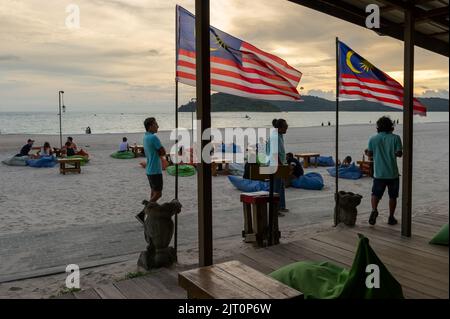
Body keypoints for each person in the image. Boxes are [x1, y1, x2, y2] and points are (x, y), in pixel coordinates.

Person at [366, 116, 402, 226]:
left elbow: (370, 155)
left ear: (378, 127)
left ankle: (374, 210)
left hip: (379, 173)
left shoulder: (373, 139)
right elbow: (399, 154)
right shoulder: (396, 138)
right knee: (393, 196)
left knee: (375, 194)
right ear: (391, 126)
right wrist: (394, 153)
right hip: (392, 173)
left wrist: (368, 152)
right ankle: (391, 217)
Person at [136, 117, 166, 225]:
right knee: (158, 194)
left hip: (149, 169)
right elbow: (163, 152)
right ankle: (142, 213)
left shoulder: (145, 137)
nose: (158, 126)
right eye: (156, 124)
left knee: (153, 193)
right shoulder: (153, 137)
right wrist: (160, 151)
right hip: (155, 170)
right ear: (150, 126)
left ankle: (148, 215)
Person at [267, 118, 289, 214]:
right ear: (279, 128)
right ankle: (275, 209)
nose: (286, 128)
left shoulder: (279, 135)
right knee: (276, 188)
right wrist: (280, 164)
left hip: (279, 163)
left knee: (281, 186)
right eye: (285, 127)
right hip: (274, 164)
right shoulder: (275, 136)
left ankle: (281, 206)